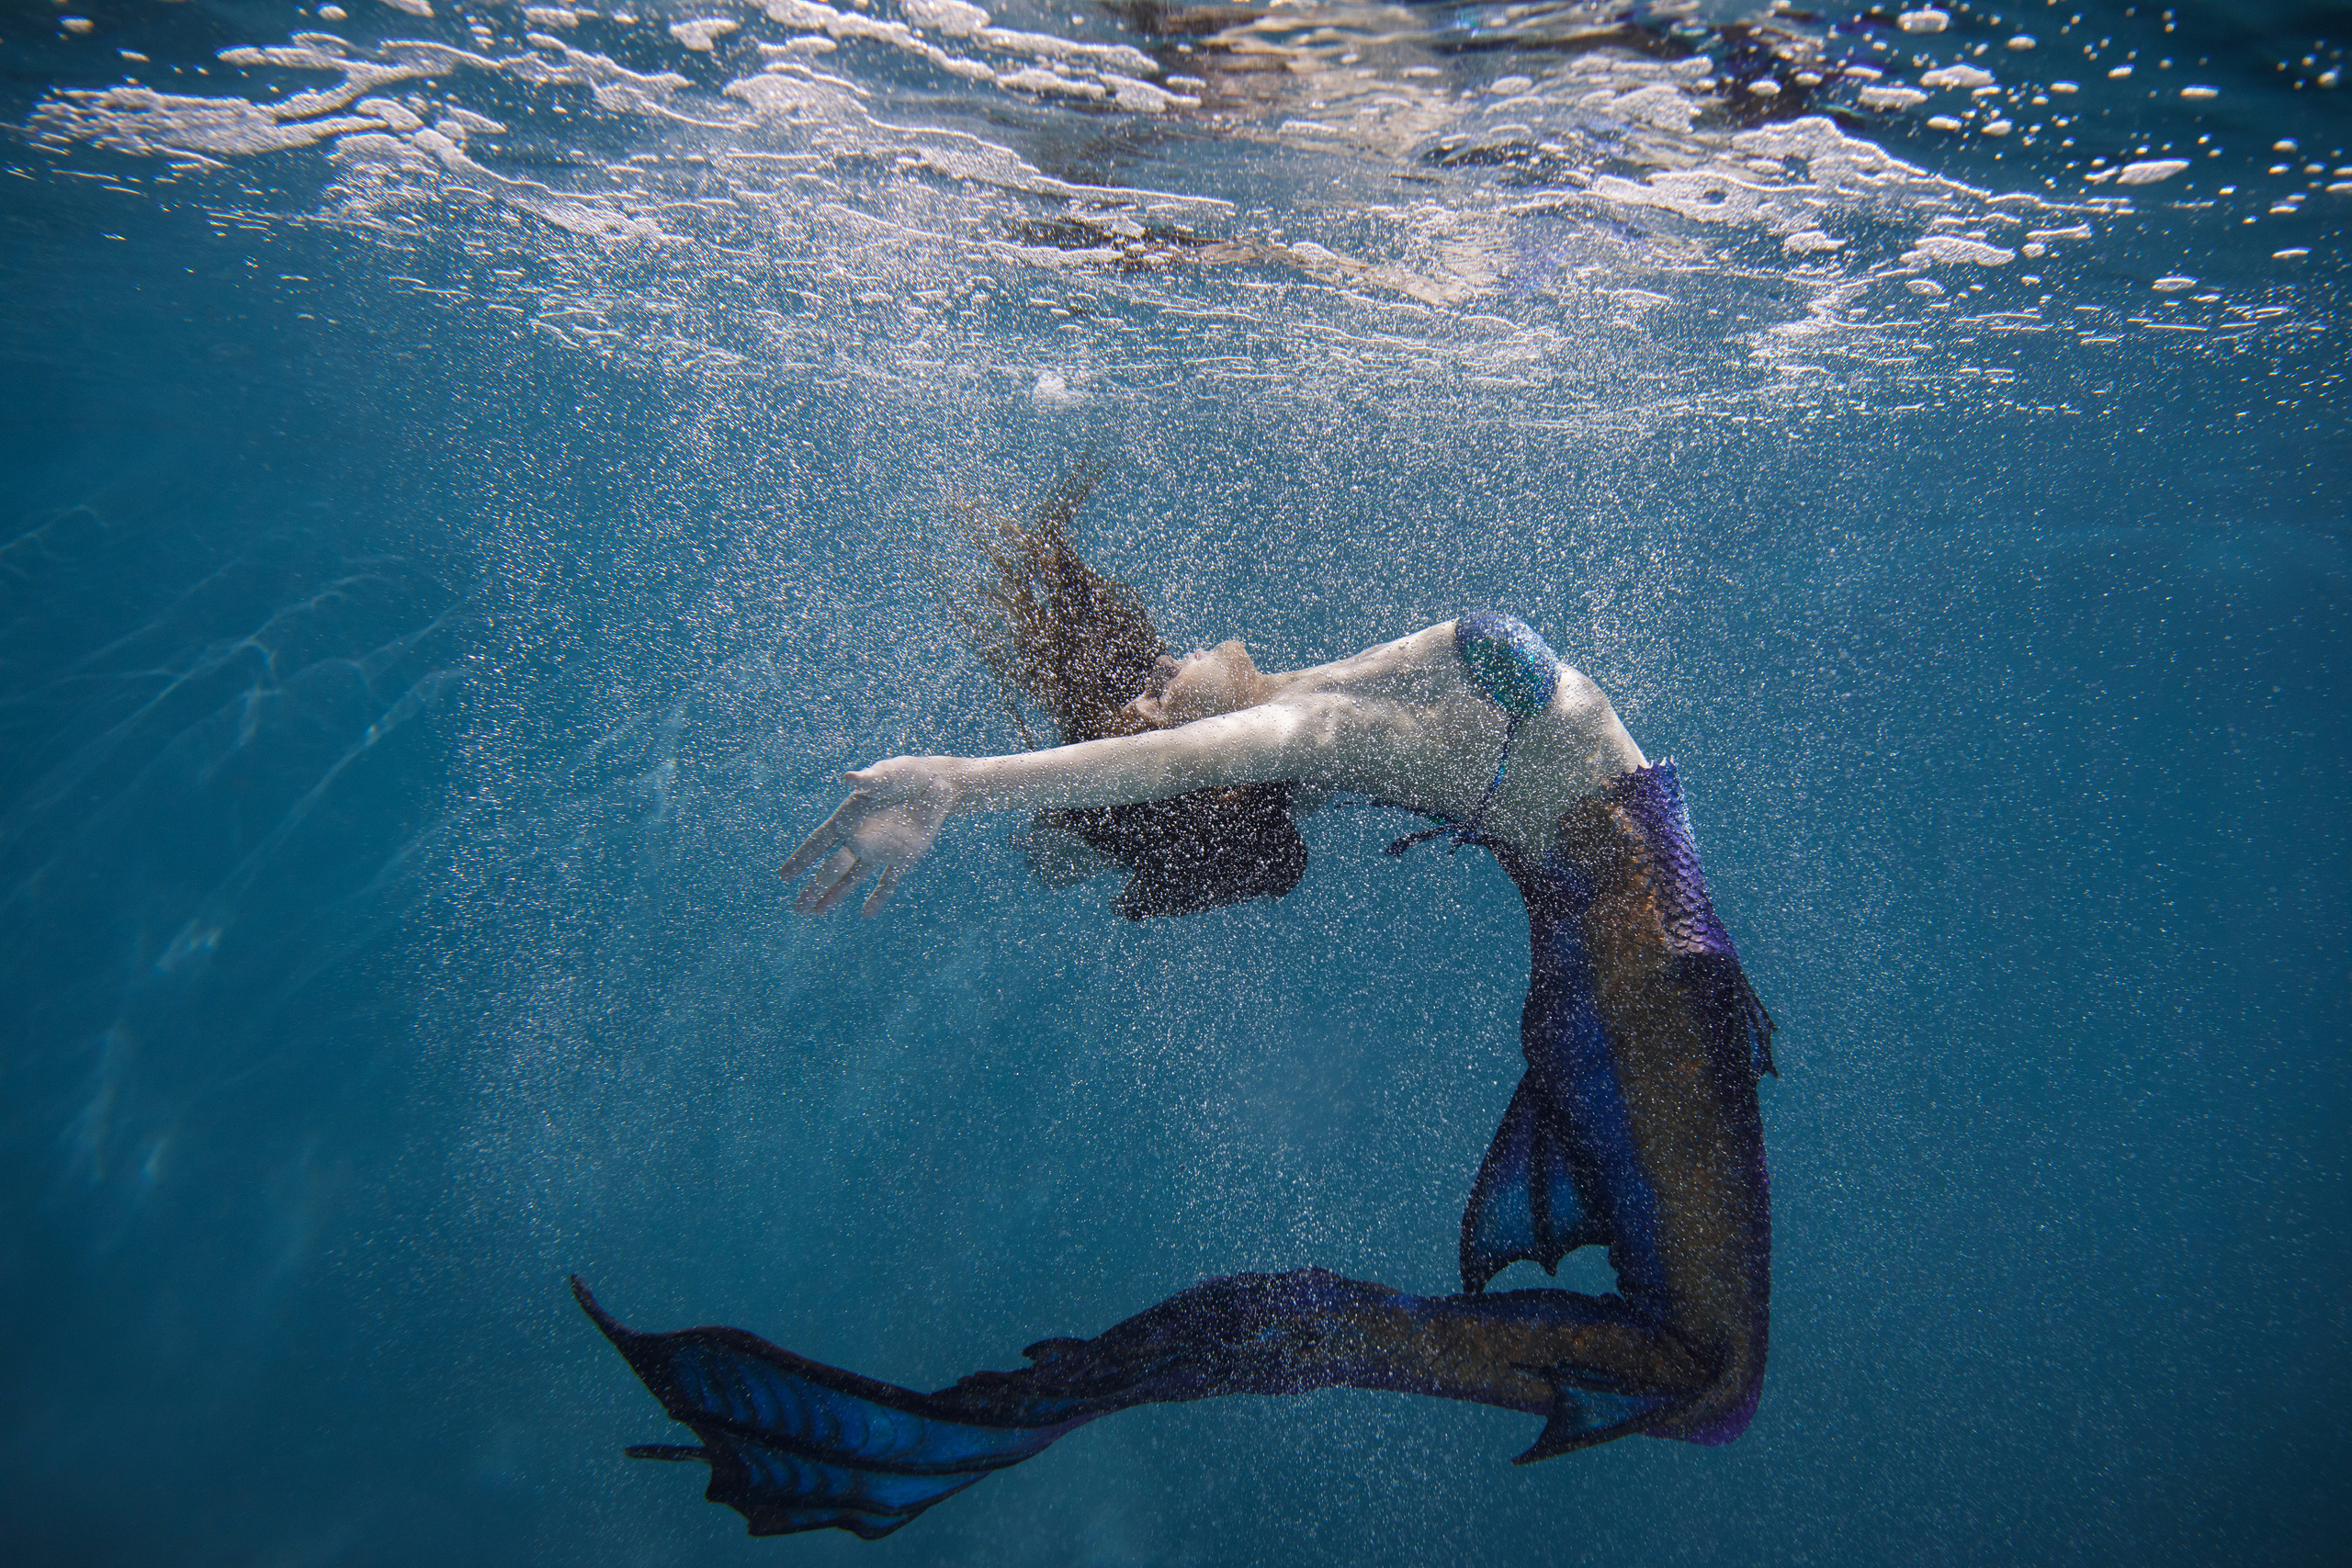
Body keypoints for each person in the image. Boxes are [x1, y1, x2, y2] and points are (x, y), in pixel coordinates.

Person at [574, 482, 1775, 1540]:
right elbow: (1173, 767)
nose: (1179, 654)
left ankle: (1254, 1343)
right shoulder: (1322, 732)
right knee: (1708, 1379)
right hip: (1643, 992)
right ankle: (1265, 1340)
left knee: (1702, 1373)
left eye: (1153, 673)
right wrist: (956, 783)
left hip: (1637, 988)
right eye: (1161, 689)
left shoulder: (1338, 712)